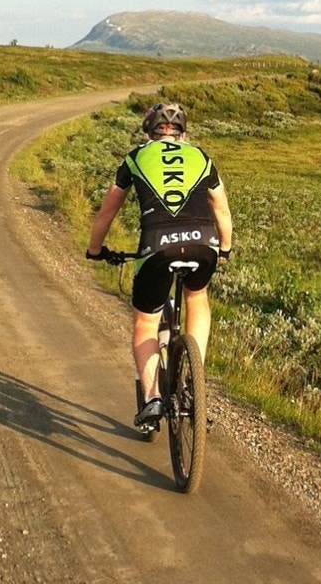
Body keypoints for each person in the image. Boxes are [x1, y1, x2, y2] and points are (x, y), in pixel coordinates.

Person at [87, 100, 233, 426]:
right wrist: (224, 250)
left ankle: (152, 397)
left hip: (156, 248)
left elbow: (107, 212)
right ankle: (195, 382)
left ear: (149, 130)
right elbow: (221, 211)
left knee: (145, 324)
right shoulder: (201, 157)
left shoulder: (135, 158)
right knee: (197, 297)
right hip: (203, 243)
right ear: (182, 133)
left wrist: (95, 250)